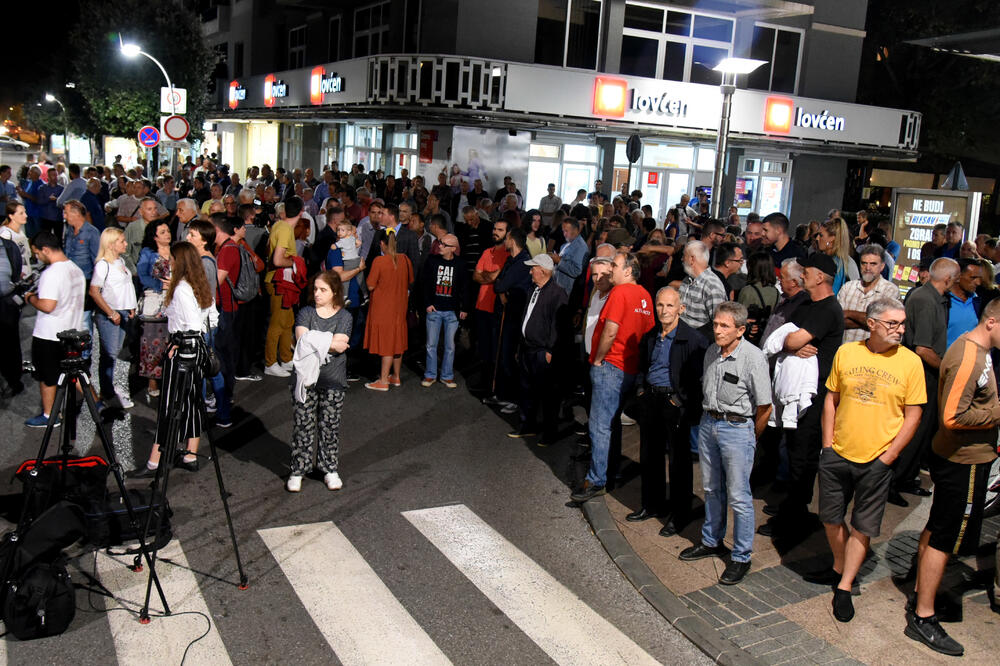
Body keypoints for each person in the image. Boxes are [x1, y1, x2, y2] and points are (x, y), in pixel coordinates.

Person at [809, 297, 924, 622]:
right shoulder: (847, 352)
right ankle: (839, 565)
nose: (900, 330)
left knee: (863, 525)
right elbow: (831, 399)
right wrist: (827, 445)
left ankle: (845, 585)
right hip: (837, 453)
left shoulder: (910, 362)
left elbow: (914, 414)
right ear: (871, 324)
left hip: (877, 460)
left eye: (902, 324)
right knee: (830, 517)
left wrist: (889, 456)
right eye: (893, 323)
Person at [904, 299, 1000, 656]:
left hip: (965, 459)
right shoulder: (968, 356)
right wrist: (998, 412)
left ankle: (922, 596)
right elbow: (952, 417)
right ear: (991, 322)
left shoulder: (979, 351)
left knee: (938, 528)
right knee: (945, 538)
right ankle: (923, 615)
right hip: (962, 462)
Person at [679, 302, 772, 585]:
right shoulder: (711, 352)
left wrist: (750, 437)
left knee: (739, 496)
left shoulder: (753, 358)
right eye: (716, 324)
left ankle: (741, 556)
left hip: (737, 428)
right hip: (709, 424)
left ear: (740, 330)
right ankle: (711, 541)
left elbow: (765, 406)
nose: (717, 330)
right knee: (711, 488)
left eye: (724, 326)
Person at [761, 253, 844, 538]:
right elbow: (785, 336)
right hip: (794, 390)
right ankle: (793, 507)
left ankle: (795, 516)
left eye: (807, 271)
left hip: (815, 394)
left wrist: (790, 343)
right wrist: (790, 345)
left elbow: (793, 338)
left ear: (820, 277)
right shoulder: (806, 303)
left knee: (804, 455)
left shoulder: (829, 309)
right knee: (795, 449)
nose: (802, 275)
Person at [572, 251, 654, 502]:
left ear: (628, 271)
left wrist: (598, 358)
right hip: (630, 368)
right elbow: (647, 333)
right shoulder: (645, 296)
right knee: (612, 423)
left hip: (611, 365)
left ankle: (597, 480)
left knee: (600, 425)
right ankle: (611, 471)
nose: (610, 271)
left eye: (615, 266)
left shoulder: (619, 293)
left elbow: (610, 330)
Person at [131, 242, 217, 478]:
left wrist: (177, 343)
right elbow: (212, 317)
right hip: (197, 352)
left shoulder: (182, 289)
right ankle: (190, 455)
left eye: (172, 260)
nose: (168, 263)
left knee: (170, 406)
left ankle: (155, 462)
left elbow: (191, 324)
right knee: (192, 402)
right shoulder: (198, 285)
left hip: (182, 354)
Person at [630, 287, 708, 536]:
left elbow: (698, 380)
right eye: (660, 305)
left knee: (678, 462)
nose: (664, 310)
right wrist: (641, 389)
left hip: (674, 404)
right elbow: (643, 365)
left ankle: (679, 514)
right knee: (649, 455)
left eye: (670, 305)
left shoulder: (693, 339)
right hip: (651, 399)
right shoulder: (652, 335)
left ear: (681, 309)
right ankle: (651, 505)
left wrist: (679, 400)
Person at [286, 270, 352, 493]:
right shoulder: (305, 312)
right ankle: (298, 470)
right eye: (315, 289)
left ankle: (329, 469)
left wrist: (314, 340)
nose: (317, 293)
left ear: (334, 292)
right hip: (305, 379)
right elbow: (301, 340)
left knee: (330, 427)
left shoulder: (345, 317)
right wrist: (329, 342)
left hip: (333, 379)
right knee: (302, 426)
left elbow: (340, 345)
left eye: (323, 290)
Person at [22, 231, 86, 427]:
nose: (37, 257)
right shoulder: (75, 269)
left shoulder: (51, 274)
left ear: (46, 250)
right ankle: (97, 405)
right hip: (72, 331)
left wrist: (30, 298)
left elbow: (48, 305)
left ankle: (50, 415)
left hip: (49, 334)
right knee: (78, 374)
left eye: (37, 253)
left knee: (47, 376)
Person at [507, 253, 568, 444]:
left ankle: (549, 433)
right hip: (527, 348)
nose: (530, 271)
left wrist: (550, 351)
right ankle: (528, 426)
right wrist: (520, 346)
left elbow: (559, 326)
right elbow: (526, 317)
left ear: (543, 271)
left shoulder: (557, 293)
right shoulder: (533, 289)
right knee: (526, 390)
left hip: (542, 352)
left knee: (547, 395)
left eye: (533, 268)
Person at [89, 227, 137, 408]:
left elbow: (124, 287)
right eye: (121, 241)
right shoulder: (103, 265)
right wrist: (111, 313)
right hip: (110, 315)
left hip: (122, 313)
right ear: (110, 244)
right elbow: (94, 291)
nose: (126, 243)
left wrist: (130, 306)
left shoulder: (120, 261)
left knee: (113, 354)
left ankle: (109, 391)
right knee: (112, 355)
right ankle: (111, 393)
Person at [364, 229, 413, 391]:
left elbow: (370, 285)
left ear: (382, 244)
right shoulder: (405, 259)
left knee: (387, 343)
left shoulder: (379, 261)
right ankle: (395, 377)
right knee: (397, 341)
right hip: (400, 307)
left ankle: (383, 381)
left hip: (383, 308)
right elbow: (410, 280)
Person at [421, 234, 469, 388]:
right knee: (431, 345)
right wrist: (428, 304)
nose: (440, 246)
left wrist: (465, 308)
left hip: (452, 312)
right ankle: (430, 374)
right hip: (434, 310)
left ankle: (447, 376)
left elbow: (465, 287)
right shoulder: (432, 261)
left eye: (444, 244)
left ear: (453, 249)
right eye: (440, 243)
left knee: (450, 346)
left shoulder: (460, 264)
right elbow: (424, 283)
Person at [264, 195, 302, 377]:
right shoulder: (286, 229)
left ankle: (286, 359)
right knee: (277, 324)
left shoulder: (279, 225)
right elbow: (278, 260)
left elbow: (269, 250)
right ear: (301, 212)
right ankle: (270, 362)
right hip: (279, 282)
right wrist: (296, 263)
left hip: (281, 282)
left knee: (287, 322)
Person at [137, 219, 174, 402]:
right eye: (163, 232)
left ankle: (170, 378)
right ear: (154, 236)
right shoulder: (148, 253)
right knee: (152, 343)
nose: (168, 234)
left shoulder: (176, 251)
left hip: (173, 301)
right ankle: (152, 381)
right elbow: (142, 276)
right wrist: (160, 285)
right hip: (154, 300)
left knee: (171, 341)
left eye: (168, 230)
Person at [837, 244, 900, 344]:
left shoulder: (890, 290)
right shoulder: (848, 287)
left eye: (873, 264)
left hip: (874, 351)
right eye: (864, 263)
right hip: (846, 350)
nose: (867, 268)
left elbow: (883, 324)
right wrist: (871, 322)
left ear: (882, 266)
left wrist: (848, 313)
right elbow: (837, 320)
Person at [678, 241, 726, 337]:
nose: (682, 259)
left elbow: (719, 324)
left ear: (692, 259)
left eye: (684, 255)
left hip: (698, 341)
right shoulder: (687, 280)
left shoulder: (712, 285)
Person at [738, 252, 779, 346]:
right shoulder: (776, 292)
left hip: (748, 339)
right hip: (767, 338)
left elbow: (739, 317)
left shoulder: (748, 291)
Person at [946, 258, 983, 348]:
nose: (978, 283)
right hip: (946, 356)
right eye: (973, 278)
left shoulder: (976, 301)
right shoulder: (943, 301)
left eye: (979, 278)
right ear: (958, 277)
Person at [551, 217, 588, 295]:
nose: (564, 234)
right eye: (563, 231)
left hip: (565, 291)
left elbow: (576, 271)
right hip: (557, 286)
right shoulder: (566, 244)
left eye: (566, 231)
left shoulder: (580, 247)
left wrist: (559, 261)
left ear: (576, 230)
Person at [1, 202, 31, 278]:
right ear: (11, 216)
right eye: (21, 213)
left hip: (25, 273)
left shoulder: (20, 231)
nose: (26, 215)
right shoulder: (5, 233)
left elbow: (23, 253)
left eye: (25, 212)